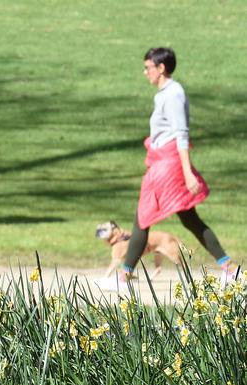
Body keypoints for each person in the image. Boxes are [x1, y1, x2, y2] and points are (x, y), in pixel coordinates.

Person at [98, 47, 235, 291]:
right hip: (163, 162)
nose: (145, 72)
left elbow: (181, 134)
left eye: (148, 67)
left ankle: (123, 277)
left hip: (168, 165)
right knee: (190, 219)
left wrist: (187, 172)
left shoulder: (173, 94)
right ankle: (229, 269)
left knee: (143, 216)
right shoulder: (164, 94)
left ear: (161, 68)